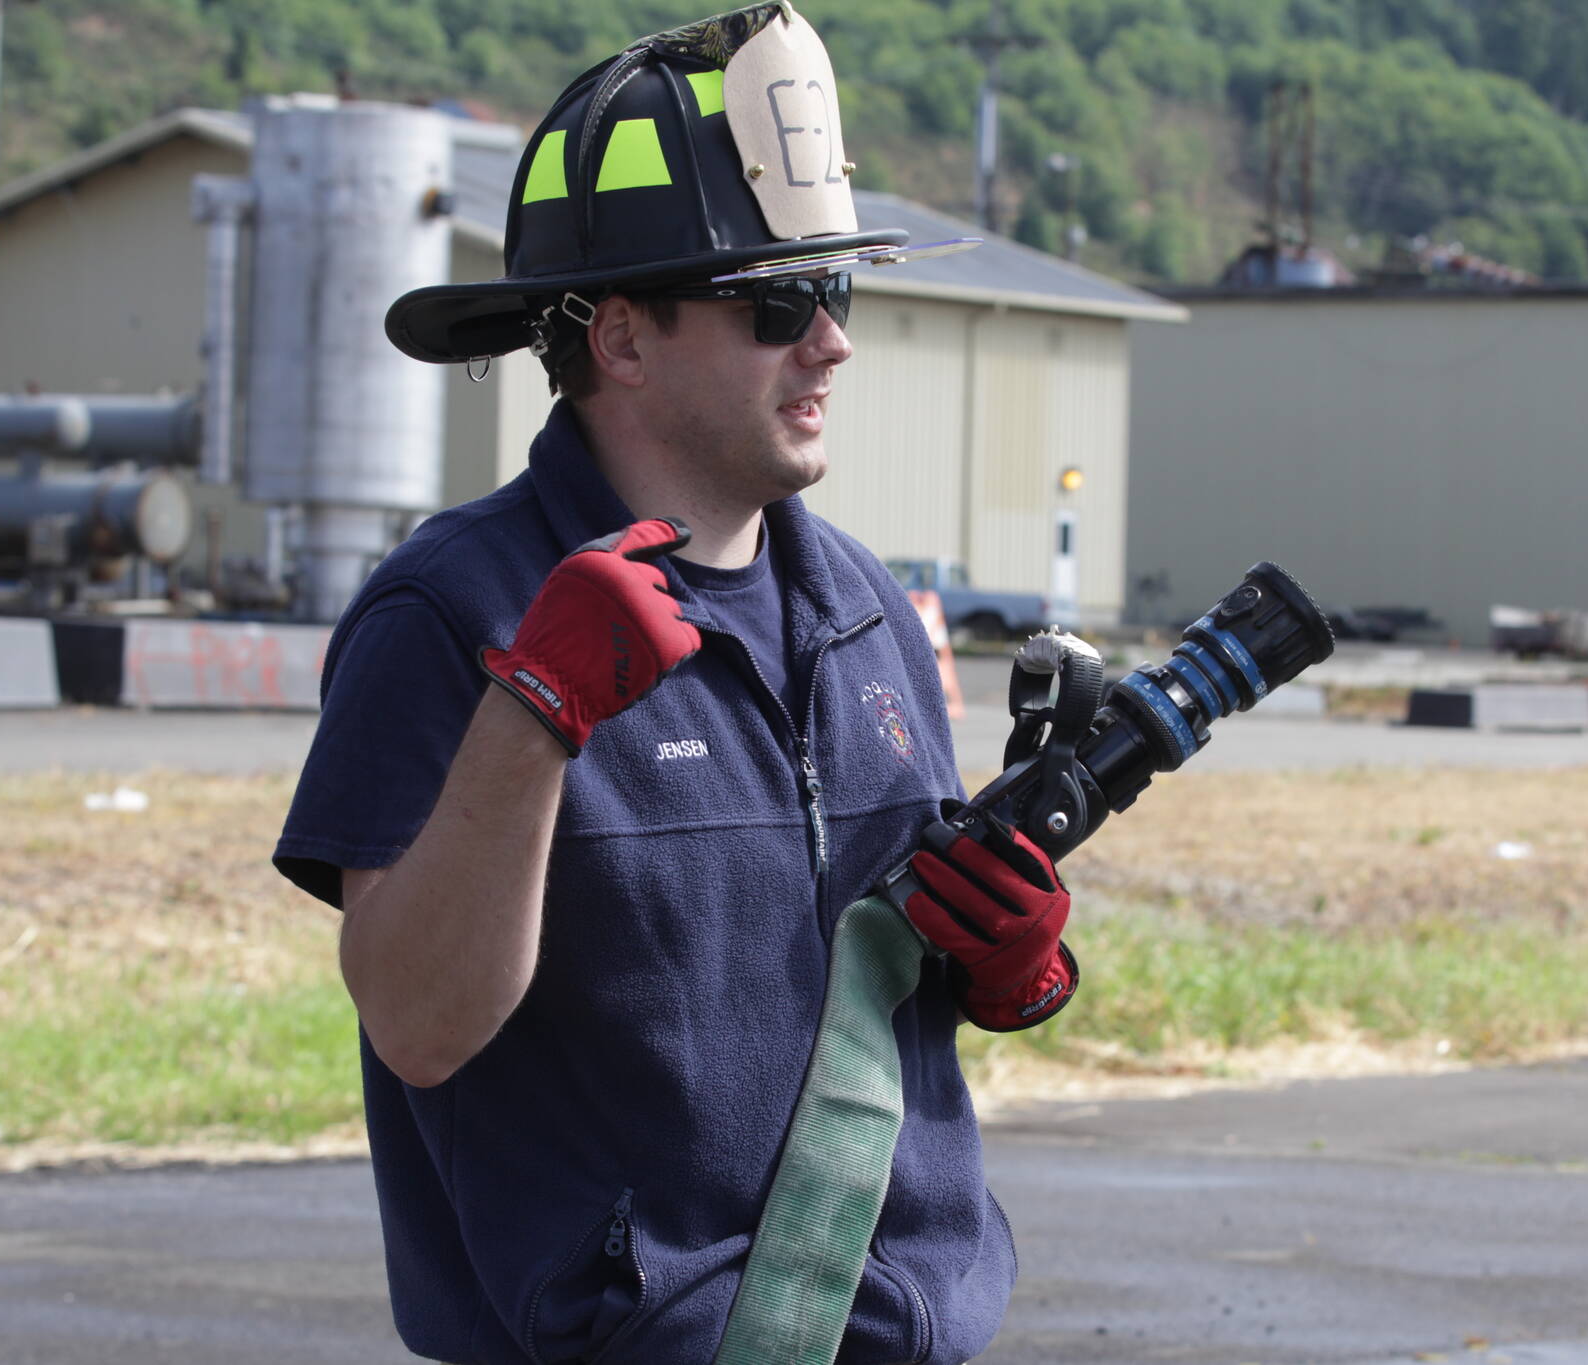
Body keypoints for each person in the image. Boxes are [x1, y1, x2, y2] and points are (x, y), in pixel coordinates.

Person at [274, 7, 1077, 1362]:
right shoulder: (453, 614)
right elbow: (416, 1022)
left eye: (837, 293)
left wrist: (1011, 967)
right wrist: (535, 712)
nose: (830, 343)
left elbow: (883, 983)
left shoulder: (867, 612)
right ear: (622, 338)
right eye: (778, 303)